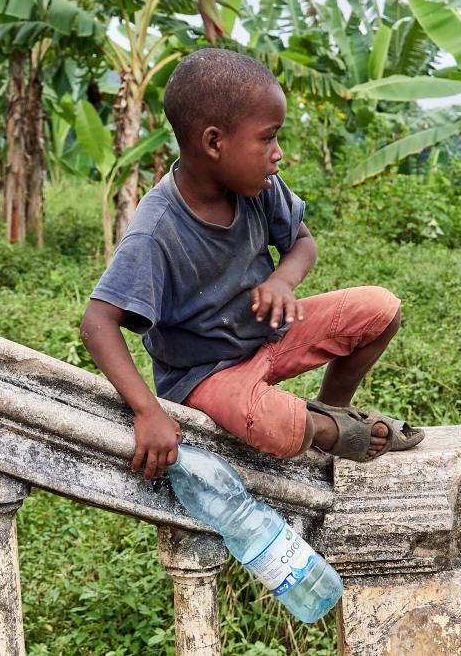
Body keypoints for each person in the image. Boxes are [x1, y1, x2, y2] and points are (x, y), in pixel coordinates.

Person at [80, 48, 423, 481]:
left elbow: (302, 242)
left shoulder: (259, 186)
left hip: (270, 338)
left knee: (380, 309)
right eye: (268, 137)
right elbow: (97, 322)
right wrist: (148, 411)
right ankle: (324, 429)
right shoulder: (157, 228)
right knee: (279, 426)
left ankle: (334, 410)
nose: (278, 153)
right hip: (207, 376)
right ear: (214, 142)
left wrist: (283, 279)